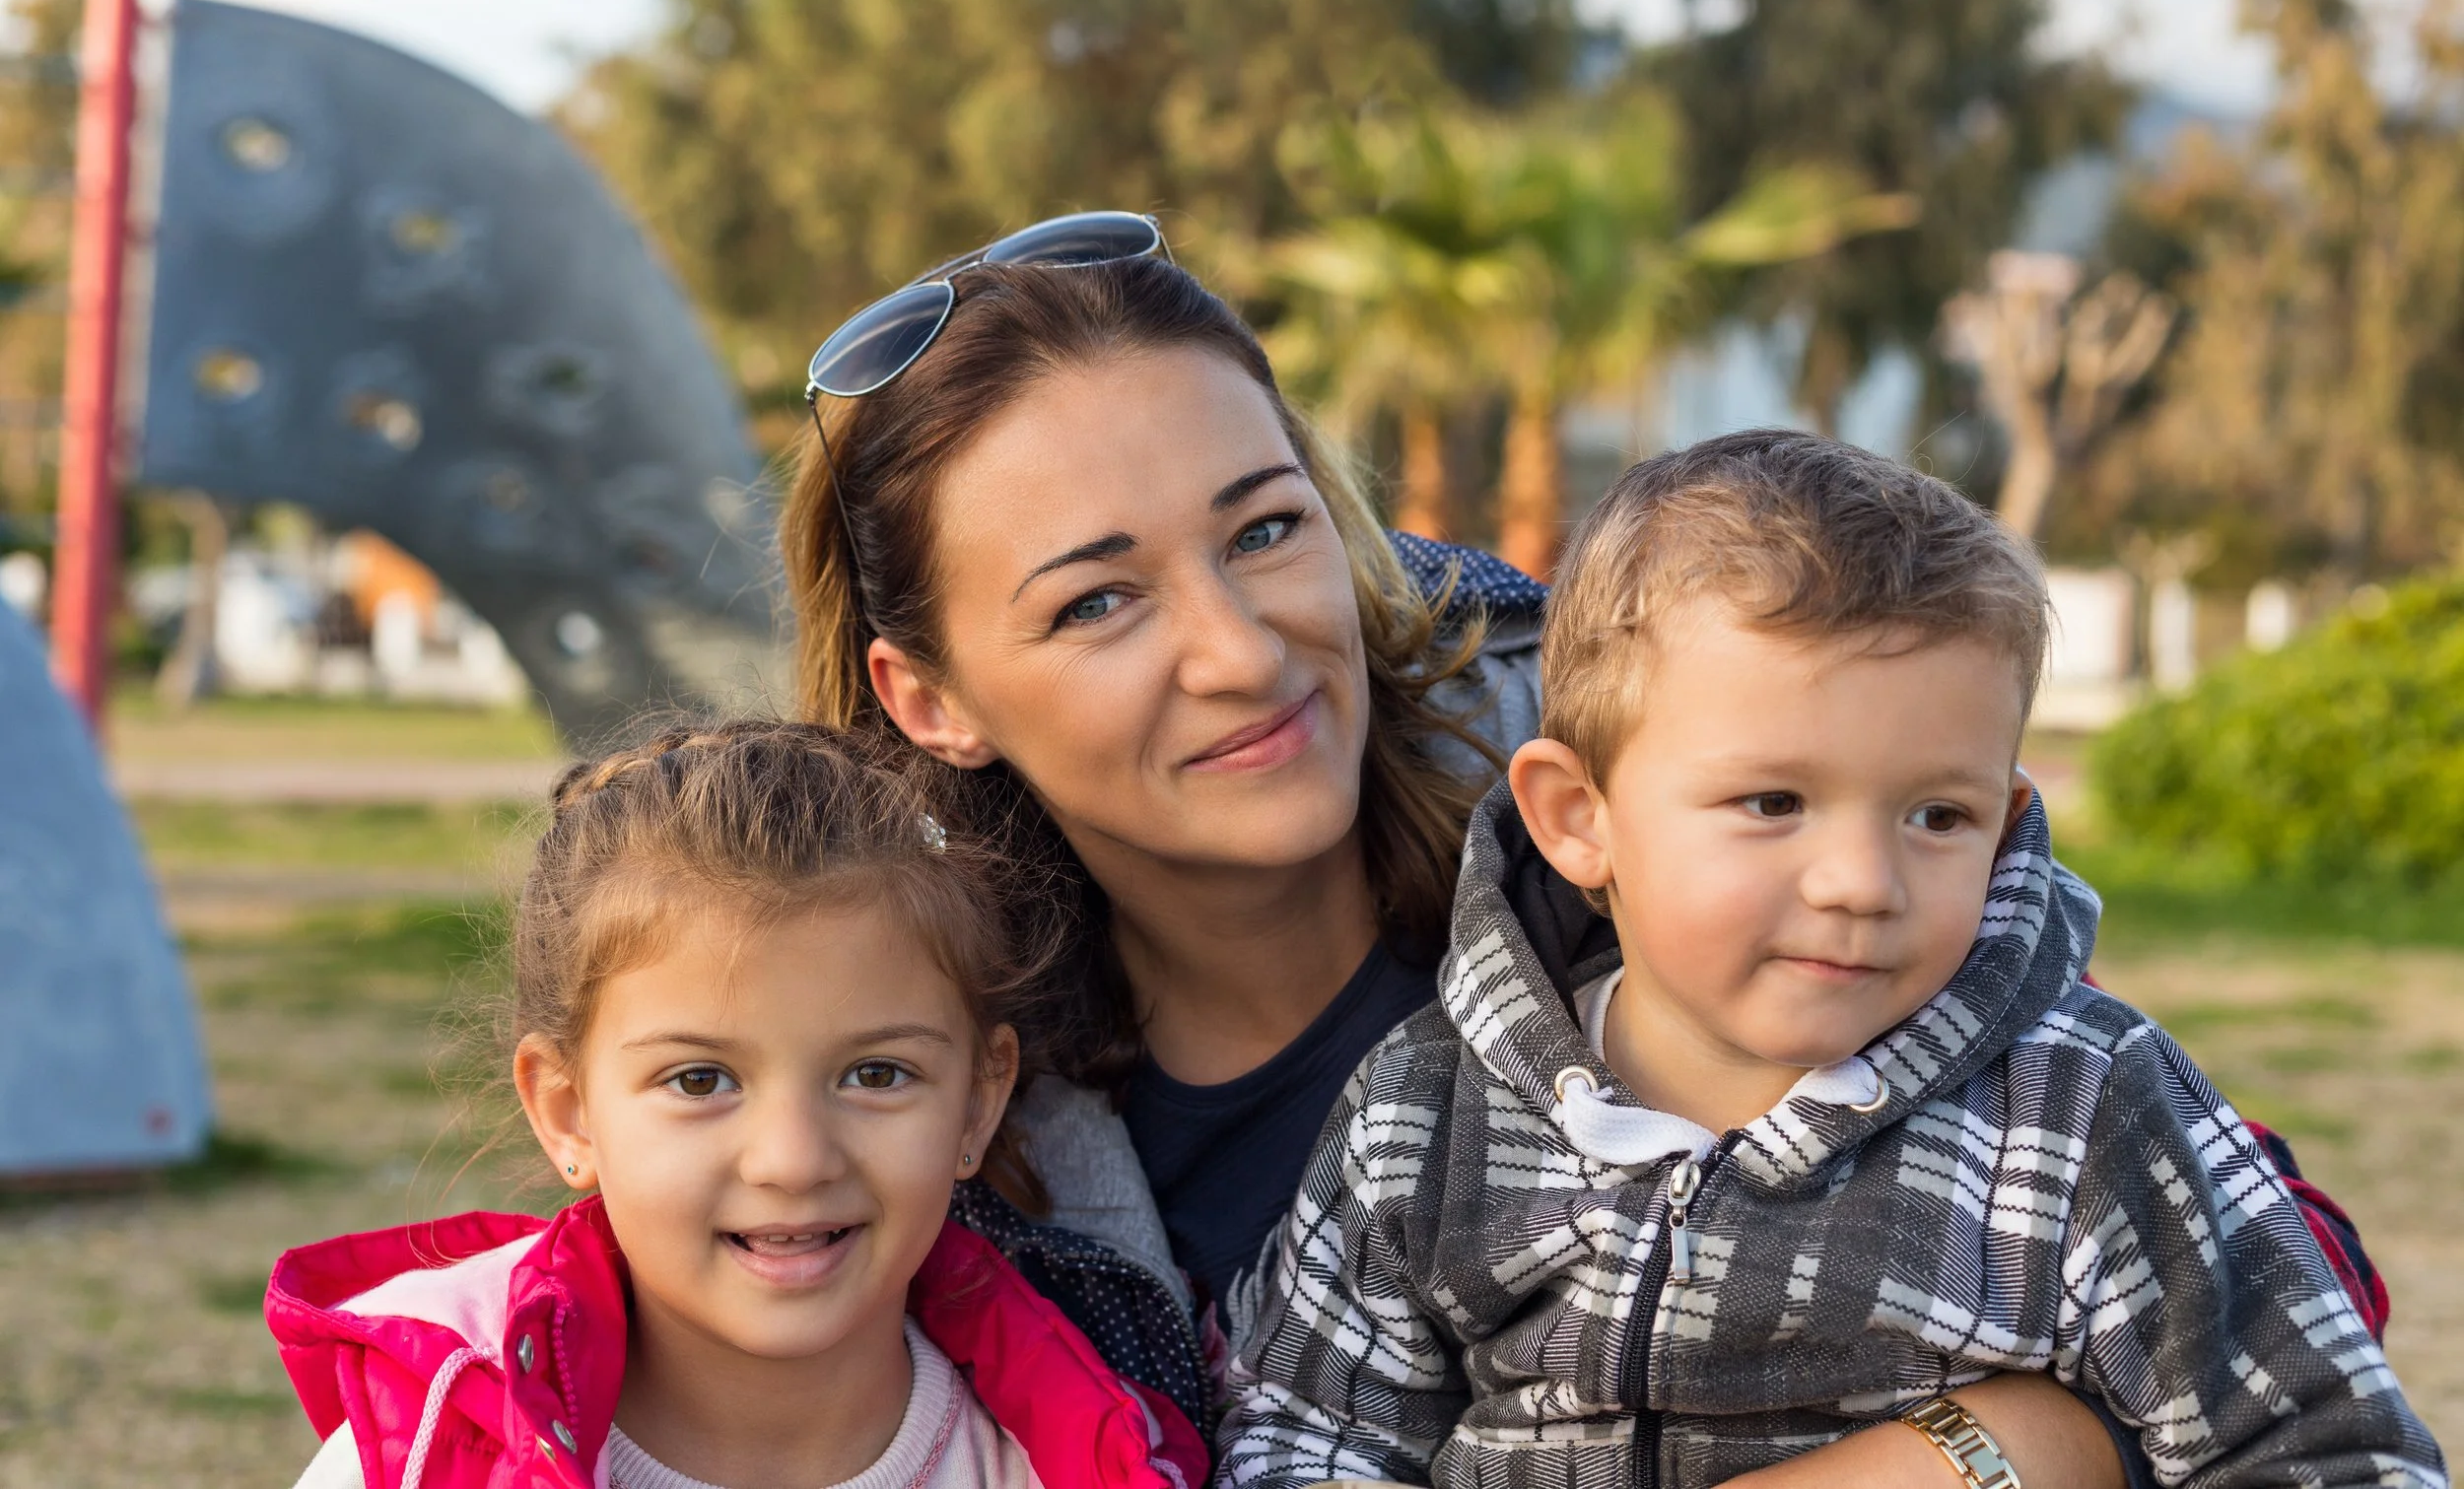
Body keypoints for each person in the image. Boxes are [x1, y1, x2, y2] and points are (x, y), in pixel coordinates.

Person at [781, 213, 2383, 1485]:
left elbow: (2293, 1271)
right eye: (1098, 599)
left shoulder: (1715, 830)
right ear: (932, 699)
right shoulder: (938, 1132)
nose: (1241, 649)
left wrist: (2004, 1448)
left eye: (1264, 529)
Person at [1216, 433, 2443, 1489]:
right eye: (1771, 800)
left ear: (2007, 820)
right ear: (1579, 816)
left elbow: (2326, 1445)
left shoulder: (2076, 1110)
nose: (1861, 880)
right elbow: (1307, 1432)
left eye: (1936, 817)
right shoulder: (1422, 1114)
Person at [265, 723, 1207, 1489]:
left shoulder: (1080, 1455)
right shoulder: (429, 1452)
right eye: (700, 1080)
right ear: (568, 1112)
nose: (794, 1160)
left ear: (976, 1103)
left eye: (876, 1074)